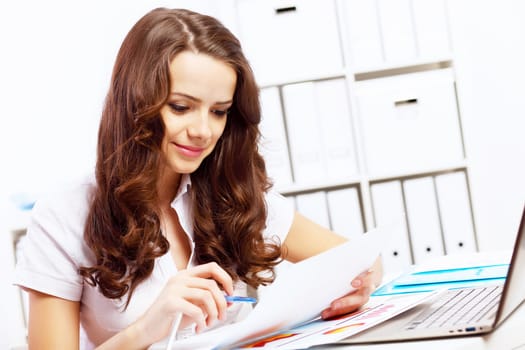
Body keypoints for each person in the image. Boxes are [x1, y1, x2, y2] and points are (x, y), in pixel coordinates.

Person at [14, 7, 382, 350]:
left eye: (219, 112)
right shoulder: (66, 214)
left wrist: (360, 286)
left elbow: (366, 261)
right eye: (181, 107)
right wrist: (150, 327)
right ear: (135, 102)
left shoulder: (231, 196)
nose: (204, 131)